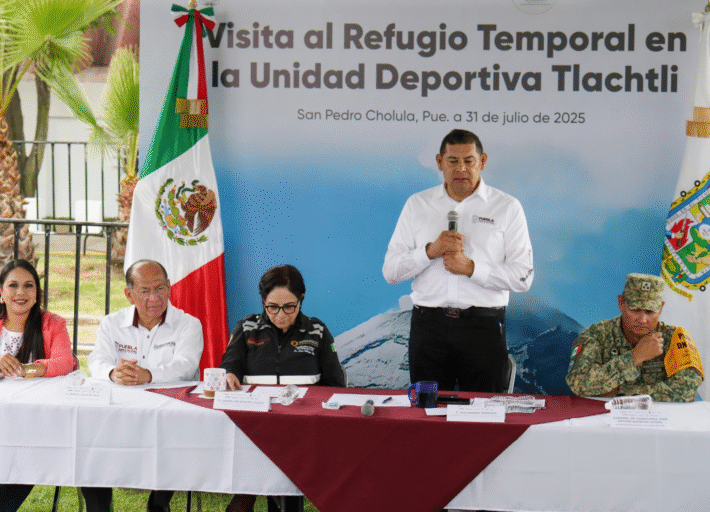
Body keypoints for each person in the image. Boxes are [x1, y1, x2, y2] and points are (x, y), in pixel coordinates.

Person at [382, 128, 534, 392]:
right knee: (426, 415)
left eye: (469, 161)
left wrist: (472, 268)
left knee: (485, 417)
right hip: (429, 327)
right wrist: (429, 251)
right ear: (440, 163)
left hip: (483, 327)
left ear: (483, 161)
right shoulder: (417, 205)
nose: (461, 169)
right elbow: (391, 272)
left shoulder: (507, 207)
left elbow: (523, 276)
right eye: (452, 161)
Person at [220, 264, 345, 512]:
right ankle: (248, 494)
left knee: (284, 490)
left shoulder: (317, 330)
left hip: (301, 425)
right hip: (255, 423)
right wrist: (230, 374)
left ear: (301, 299)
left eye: (289, 307)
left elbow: (335, 383)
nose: (280, 315)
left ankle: (262, 496)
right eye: (272, 307)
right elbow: (229, 363)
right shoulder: (247, 327)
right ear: (263, 301)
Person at [0, 258, 75, 512]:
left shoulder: (53, 323)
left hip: (35, 419)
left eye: (29, 286)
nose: (21, 293)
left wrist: (28, 369)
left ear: (37, 293)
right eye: (13, 286)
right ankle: (3, 499)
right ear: (0, 291)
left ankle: (5, 506)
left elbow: (66, 362)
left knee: (29, 454)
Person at [83, 259, 204, 512]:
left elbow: (185, 365)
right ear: (129, 295)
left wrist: (148, 375)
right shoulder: (111, 323)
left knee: (171, 434)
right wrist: (112, 372)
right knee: (88, 439)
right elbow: (96, 360)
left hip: (170, 412)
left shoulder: (189, 324)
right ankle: (99, 506)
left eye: (160, 289)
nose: (154, 298)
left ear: (170, 287)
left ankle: (159, 504)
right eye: (145, 291)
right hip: (119, 412)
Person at [566, 273, 703, 401]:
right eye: (636, 310)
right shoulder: (596, 335)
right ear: (621, 303)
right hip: (605, 419)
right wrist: (635, 357)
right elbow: (578, 383)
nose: (643, 320)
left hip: (659, 421)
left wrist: (619, 391)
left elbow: (687, 390)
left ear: (661, 308)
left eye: (650, 312)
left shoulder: (674, 338)